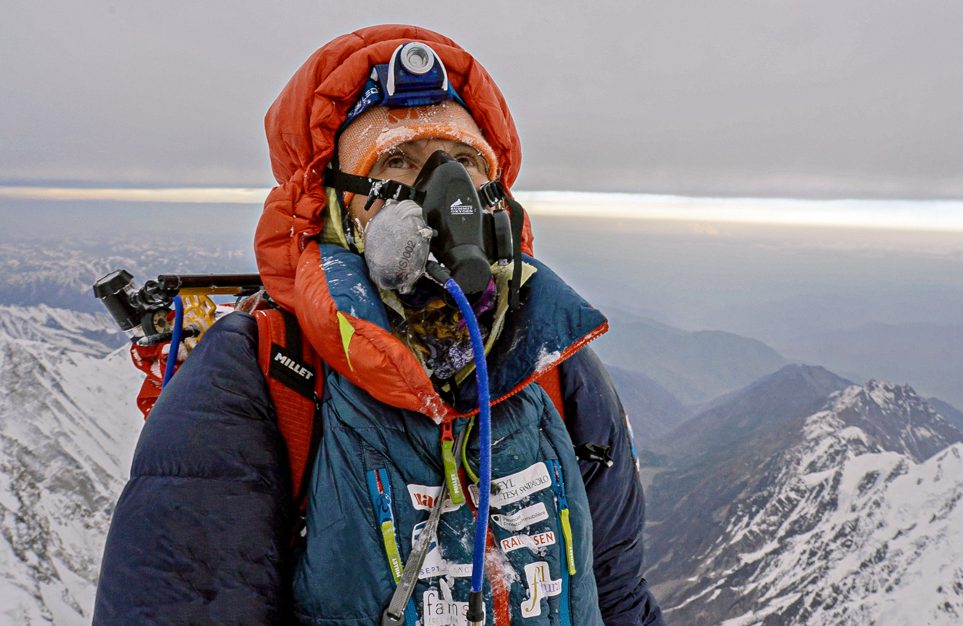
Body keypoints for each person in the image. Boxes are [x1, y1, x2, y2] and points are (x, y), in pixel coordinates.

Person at [94, 24, 665, 626]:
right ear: (336, 205)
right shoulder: (256, 377)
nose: (445, 190)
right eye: (396, 160)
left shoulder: (551, 364)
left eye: (465, 161)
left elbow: (618, 592)